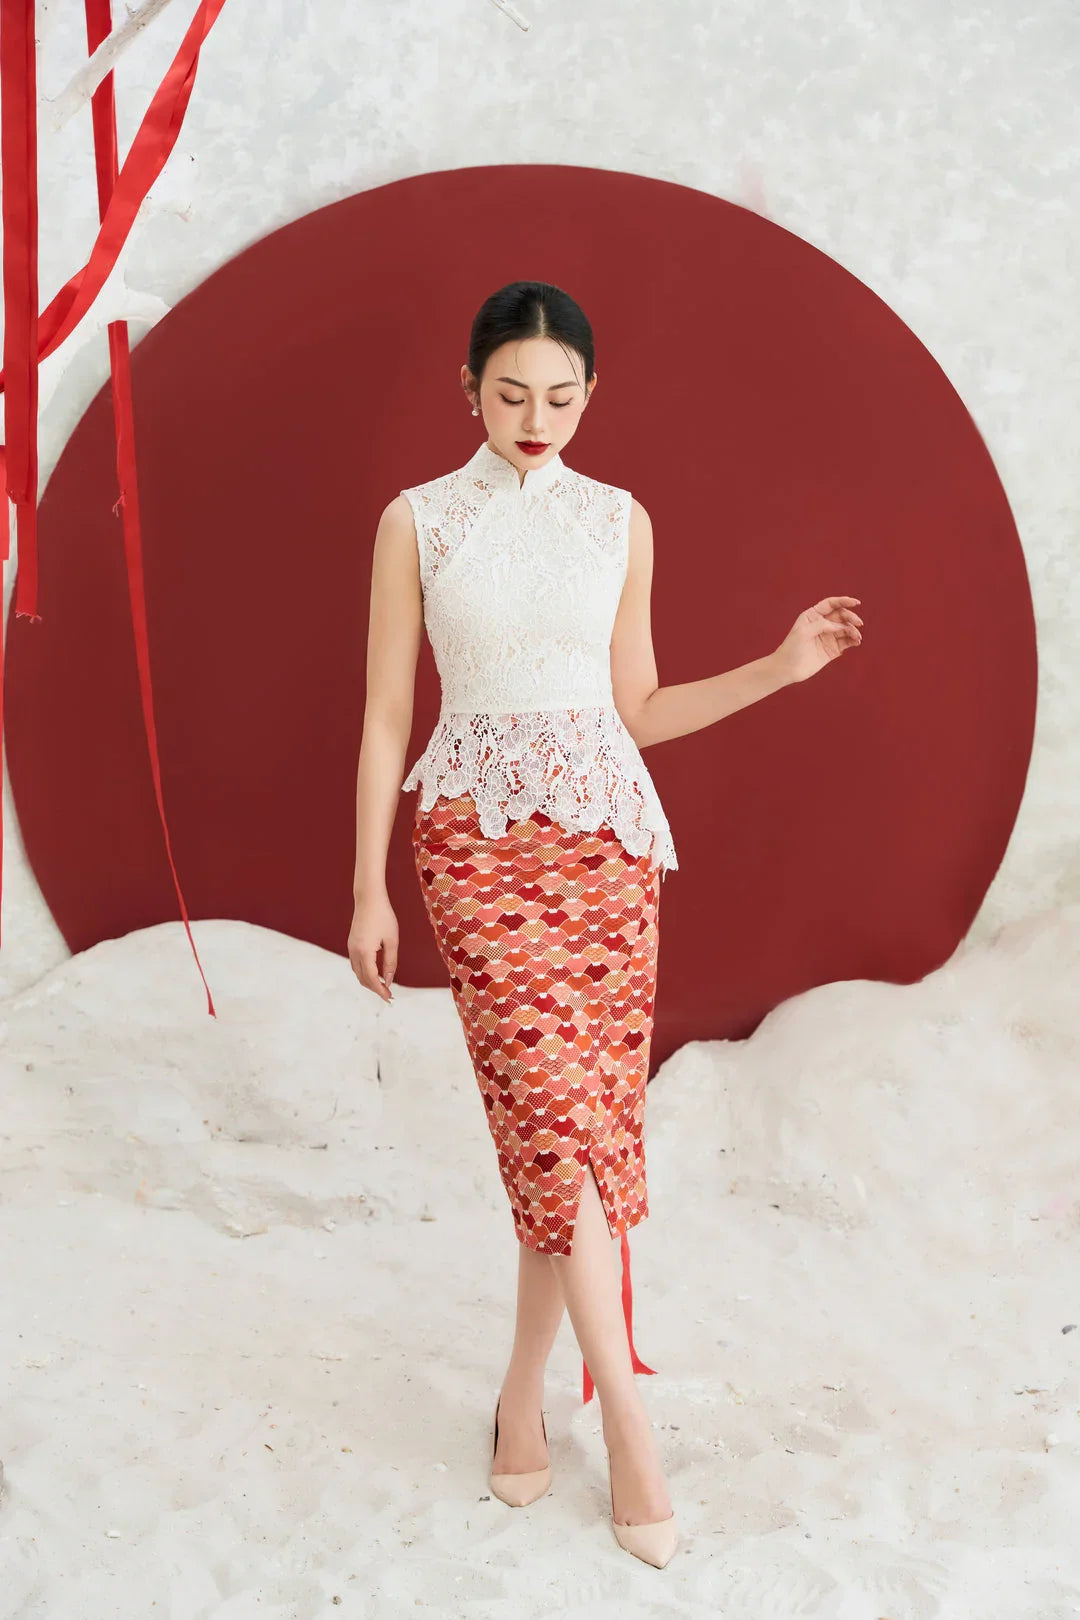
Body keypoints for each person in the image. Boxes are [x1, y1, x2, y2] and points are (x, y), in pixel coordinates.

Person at [348, 280, 863, 1568]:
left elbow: (634, 706)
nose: (537, 419)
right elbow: (382, 720)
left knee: (565, 1141)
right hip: (472, 843)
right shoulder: (416, 525)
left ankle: (524, 1399)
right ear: (467, 390)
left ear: (591, 396)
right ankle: (629, 1426)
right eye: (512, 393)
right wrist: (366, 888)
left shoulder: (619, 522)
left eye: (562, 397)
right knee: (553, 1120)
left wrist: (777, 668)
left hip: (609, 851)